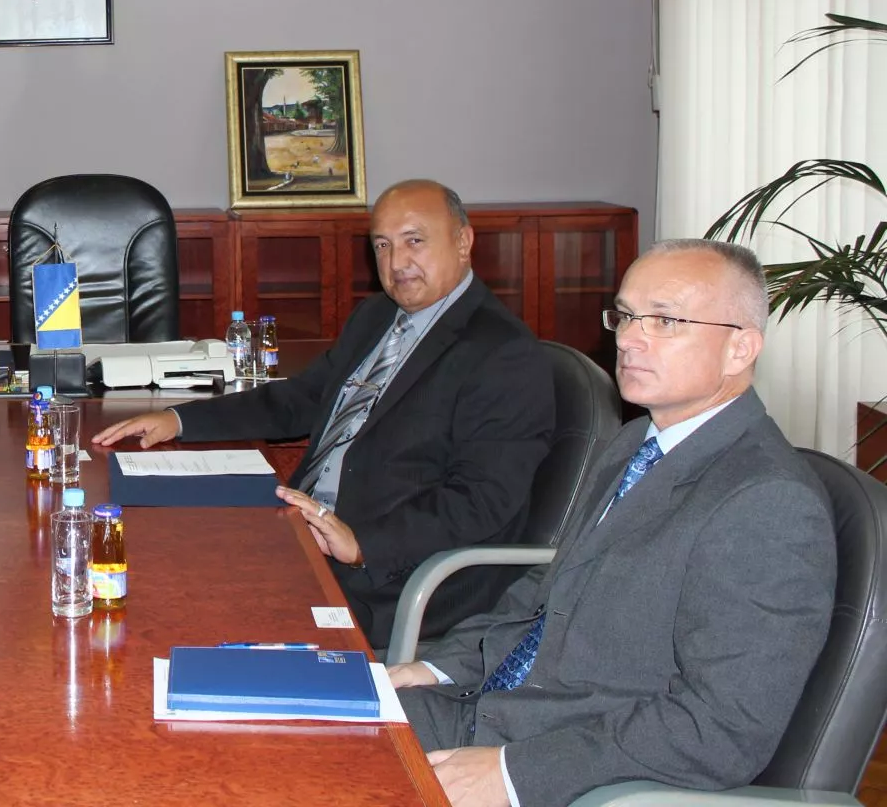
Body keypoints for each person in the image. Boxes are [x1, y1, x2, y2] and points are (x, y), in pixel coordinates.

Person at [388, 239, 837, 807]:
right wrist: (438, 667)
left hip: (570, 767)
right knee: (293, 720)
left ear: (740, 348)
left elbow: (724, 730)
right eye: (625, 316)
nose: (627, 339)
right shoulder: (637, 442)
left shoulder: (767, 502)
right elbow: (551, 591)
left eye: (665, 321)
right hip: (489, 708)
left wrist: (511, 773)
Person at [93, 179, 553, 643]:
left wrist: (362, 544)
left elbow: (482, 499)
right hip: (303, 531)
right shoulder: (378, 317)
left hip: (388, 577)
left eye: (414, 241)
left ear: (463, 241)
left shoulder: (502, 354)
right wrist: (180, 419)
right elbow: (302, 399)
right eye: (383, 245)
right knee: (157, 553)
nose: (396, 263)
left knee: (185, 613)